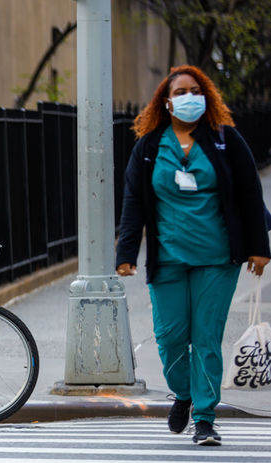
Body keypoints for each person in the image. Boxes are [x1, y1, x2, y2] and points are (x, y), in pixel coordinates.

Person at [116, 65, 270, 446]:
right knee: (169, 339)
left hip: (218, 259)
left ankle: (204, 417)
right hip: (167, 258)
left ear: (207, 97)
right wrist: (127, 250)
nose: (189, 97)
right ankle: (183, 394)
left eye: (195, 90)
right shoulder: (150, 147)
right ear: (166, 102)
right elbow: (134, 200)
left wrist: (259, 249)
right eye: (181, 92)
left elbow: (251, 193)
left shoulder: (225, 140)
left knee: (206, 338)